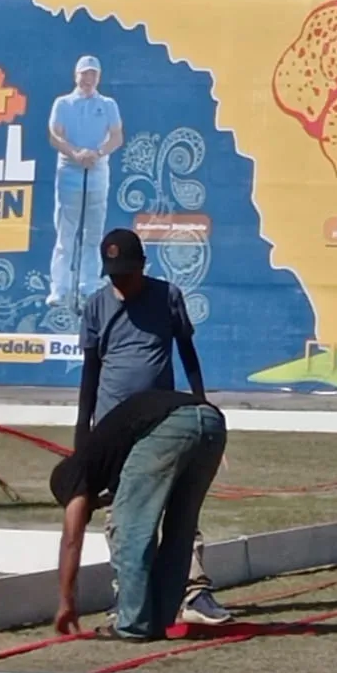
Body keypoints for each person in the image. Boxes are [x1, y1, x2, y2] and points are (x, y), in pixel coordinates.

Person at [75, 227, 233, 626]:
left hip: (161, 423)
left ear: (143, 266)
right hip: (112, 428)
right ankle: (127, 596)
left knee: (177, 505)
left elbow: (187, 354)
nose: (121, 283)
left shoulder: (167, 297)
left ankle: (194, 592)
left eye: (127, 274)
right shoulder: (96, 306)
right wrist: (84, 438)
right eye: (114, 275)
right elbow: (90, 373)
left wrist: (202, 406)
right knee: (120, 513)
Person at [51, 389, 227, 642]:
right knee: (181, 528)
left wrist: (66, 601)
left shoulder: (71, 480)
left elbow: (71, 541)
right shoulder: (99, 460)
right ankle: (159, 619)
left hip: (169, 426)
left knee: (130, 530)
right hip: (211, 421)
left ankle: (132, 624)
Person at [47, 54, 124, 309]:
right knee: (65, 231)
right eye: (84, 74)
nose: (88, 79)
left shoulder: (108, 104)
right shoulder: (63, 103)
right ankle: (60, 289)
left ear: (98, 77)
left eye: (93, 74)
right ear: (76, 75)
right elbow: (55, 136)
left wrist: (97, 153)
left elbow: (116, 137)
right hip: (69, 169)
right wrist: (75, 153)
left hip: (97, 170)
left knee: (93, 232)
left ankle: (88, 285)